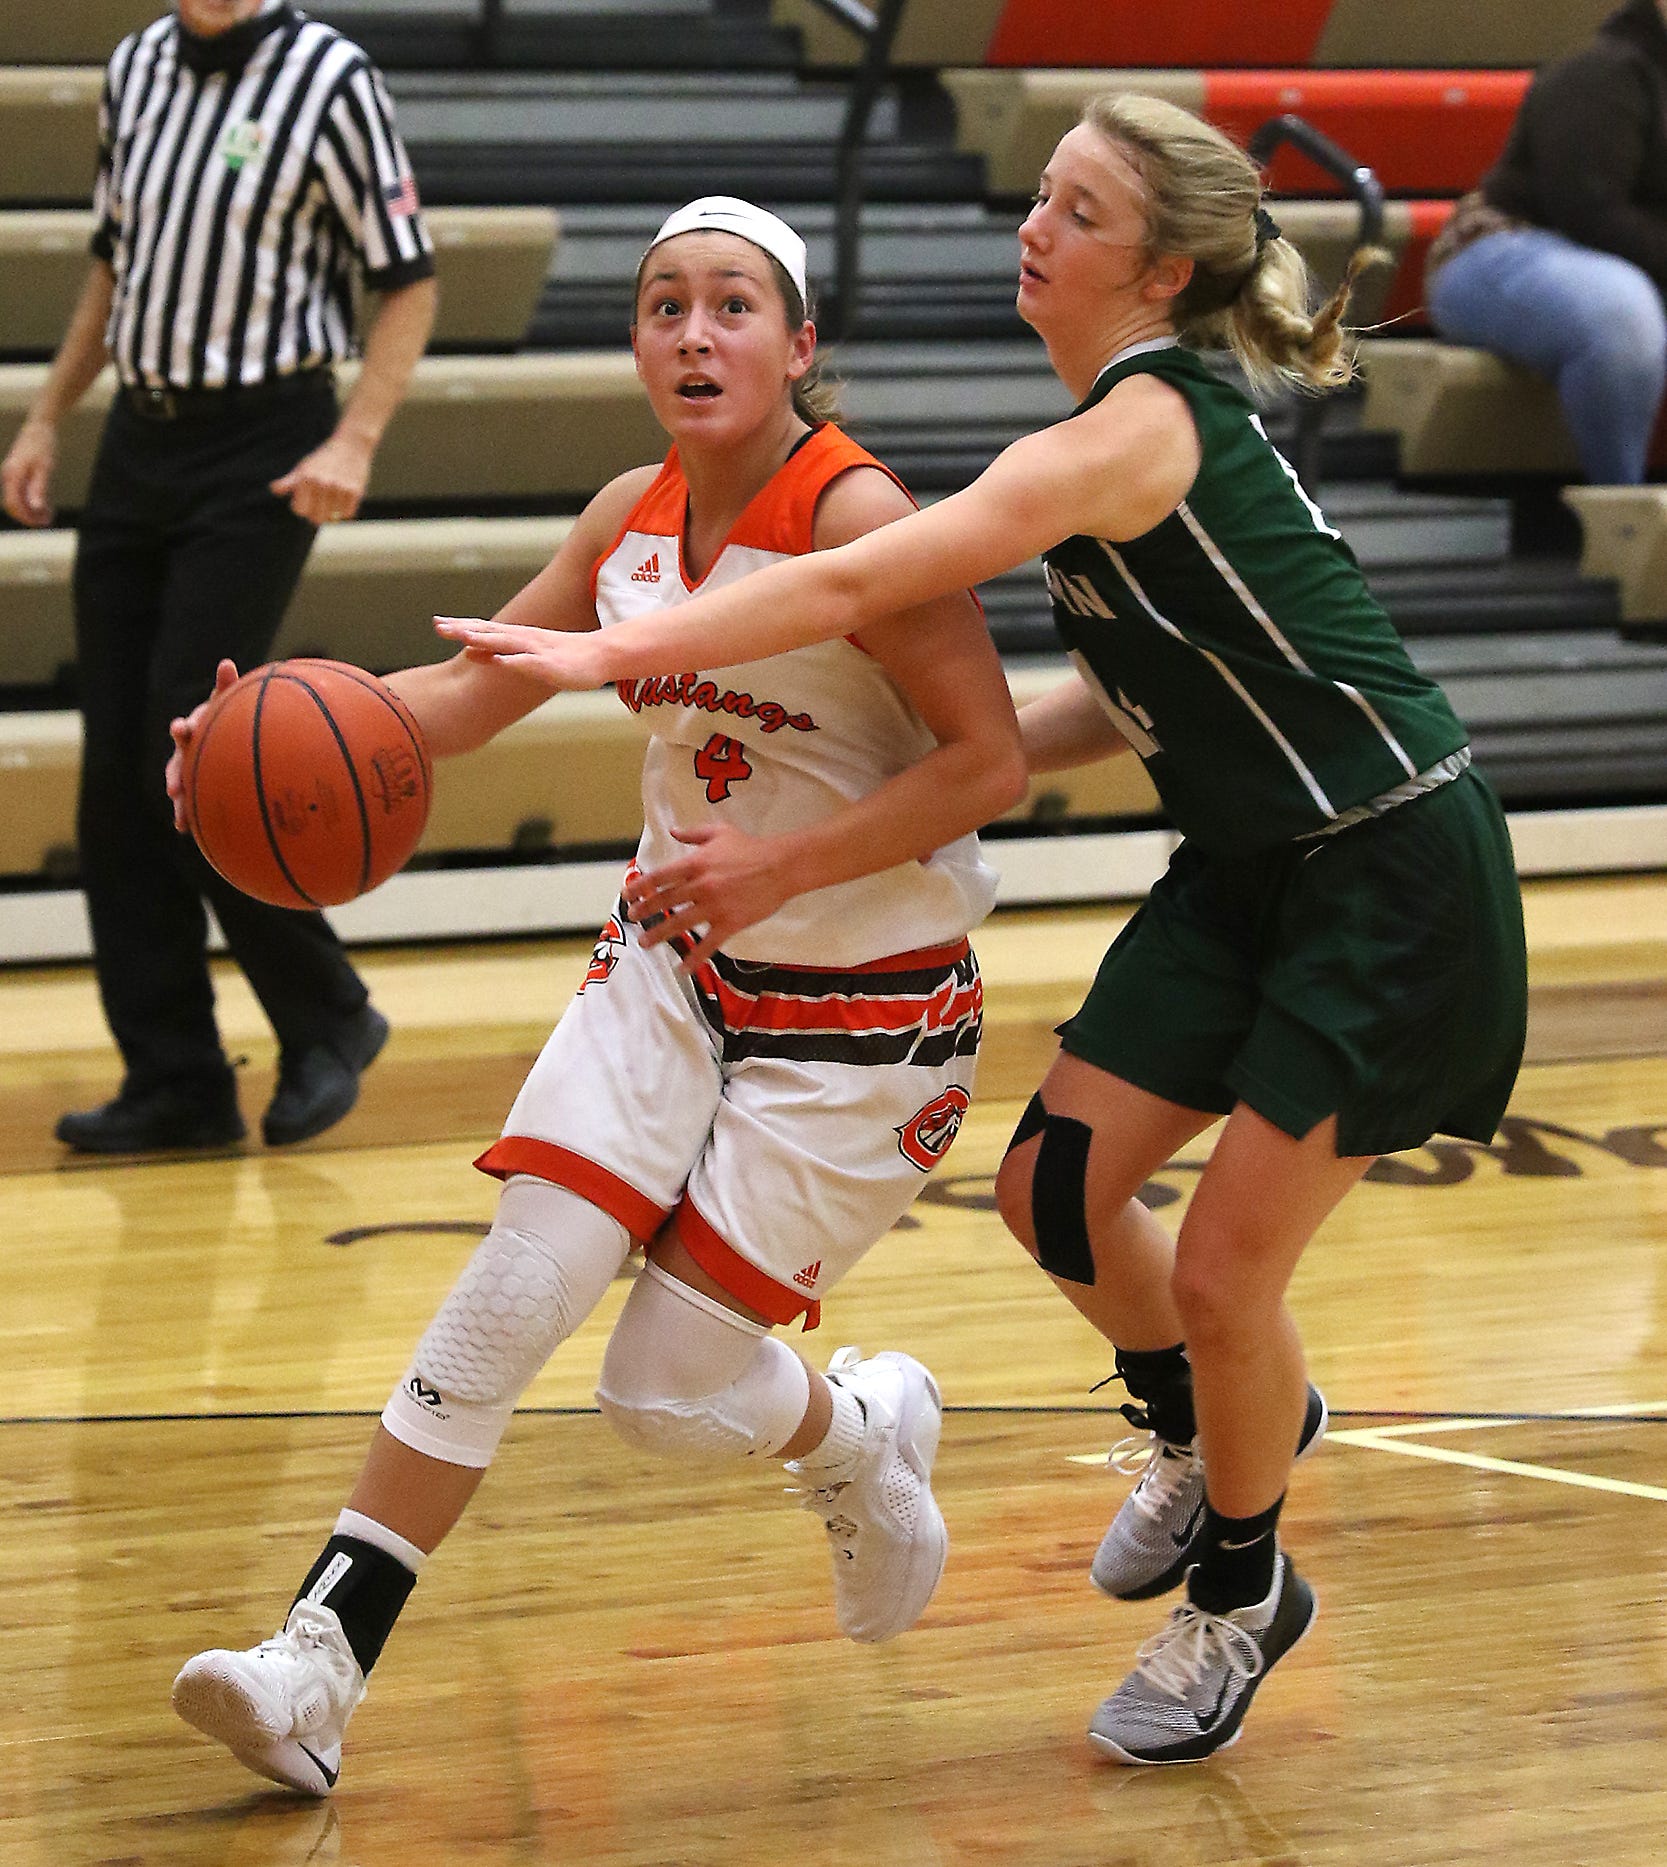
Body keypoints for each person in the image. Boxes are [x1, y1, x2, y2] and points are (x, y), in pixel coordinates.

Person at [445, 99, 1530, 1767]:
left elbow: (840, 588)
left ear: (1157, 267)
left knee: (1232, 1269)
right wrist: (971, 759)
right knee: (1051, 1187)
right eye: (1037, 192)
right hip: (1253, 864)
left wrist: (605, 656)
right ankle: (1211, 1422)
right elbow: (1122, 692)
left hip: (1391, 872)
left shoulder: (1131, 427)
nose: (1031, 224)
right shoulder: (1112, 423)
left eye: (1074, 209)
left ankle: (1239, 1592)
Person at [167, 196, 1026, 1793]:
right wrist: (254, 736)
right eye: (662, 307)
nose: (693, 335)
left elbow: (988, 763)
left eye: (730, 307)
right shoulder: (628, 511)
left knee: (658, 1393)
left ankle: (852, 1439)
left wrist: (782, 866)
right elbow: (471, 693)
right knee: (510, 1287)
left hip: (866, 1008)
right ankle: (314, 1664)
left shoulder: (857, 519)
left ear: (797, 345)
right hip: (675, 967)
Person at [0, 0, 437, 1152]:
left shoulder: (333, 79)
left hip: (265, 443)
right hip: (141, 441)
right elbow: (114, 262)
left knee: (193, 748)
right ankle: (177, 1078)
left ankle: (327, 1012)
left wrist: (356, 438)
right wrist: (47, 417)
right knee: (116, 784)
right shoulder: (134, 65)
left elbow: (410, 279)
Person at [1426, 0, 1667, 485]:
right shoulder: (1601, 73)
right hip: (1505, 249)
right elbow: (1589, 211)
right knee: (1618, 312)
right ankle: (1626, 519)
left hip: (1624, 260)